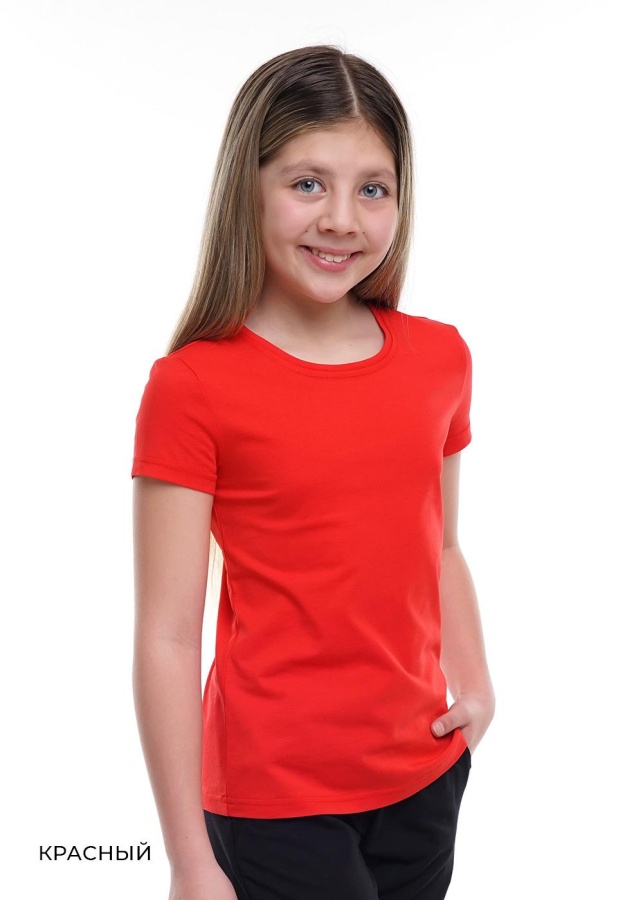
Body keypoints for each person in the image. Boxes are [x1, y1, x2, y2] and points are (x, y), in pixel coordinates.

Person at [131, 45, 495, 900]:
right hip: (274, 802)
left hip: (423, 778)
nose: (341, 218)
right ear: (247, 189)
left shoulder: (439, 359)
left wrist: (475, 686)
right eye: (306, 183)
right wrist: (189, 861)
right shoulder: (192, 386)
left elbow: (441, 547)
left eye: (372, 188)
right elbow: (166, 635)